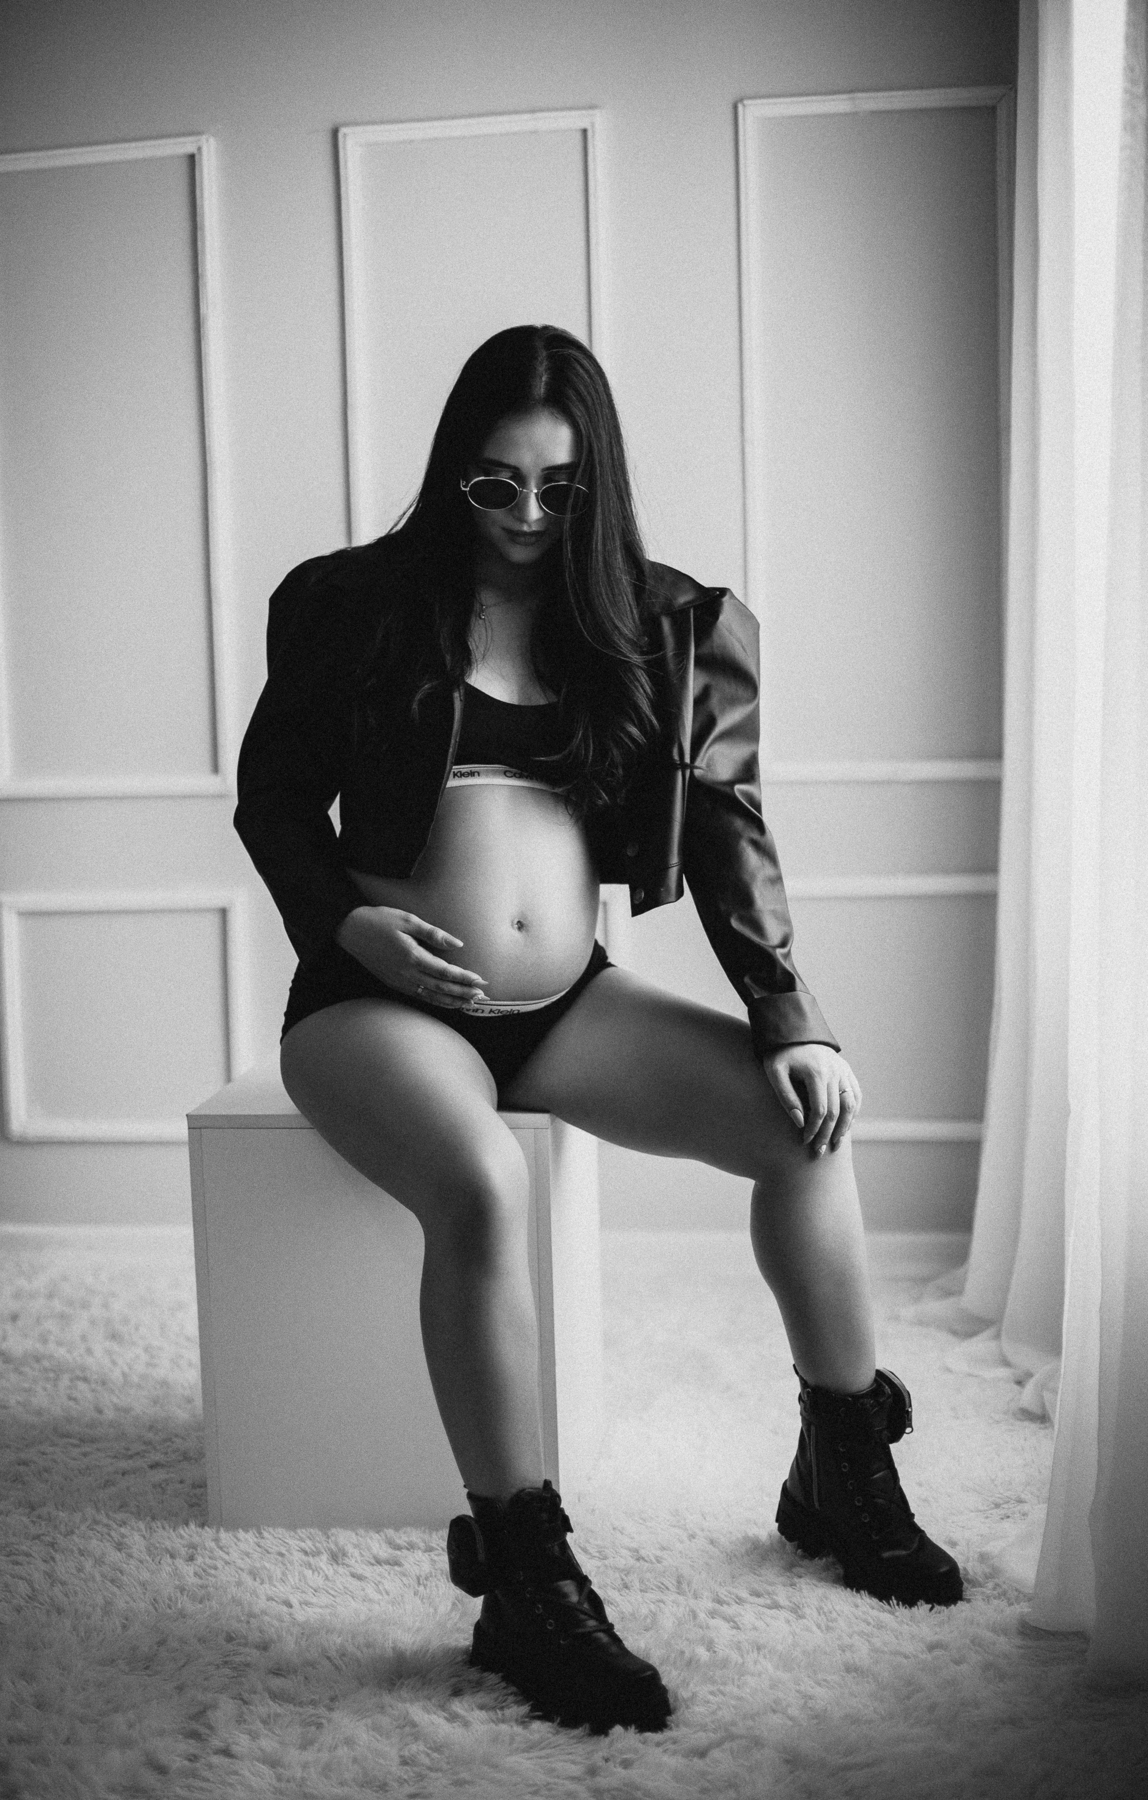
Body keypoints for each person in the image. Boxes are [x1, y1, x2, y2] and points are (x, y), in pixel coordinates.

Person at [234, 323, 962, 1736]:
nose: (523, 516)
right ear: (452, 471)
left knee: (803, 1128)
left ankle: (844, 1468)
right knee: (479, 1184)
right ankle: (525, 1579)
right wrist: (348, 925)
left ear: (598, 485)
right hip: (377, 1003)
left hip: (568, 1005)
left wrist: (790, 1017)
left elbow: (731, 825)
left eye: (558, 490)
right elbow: (273, 802)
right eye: (493, 484)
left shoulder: (667, 626)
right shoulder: (349, 604)